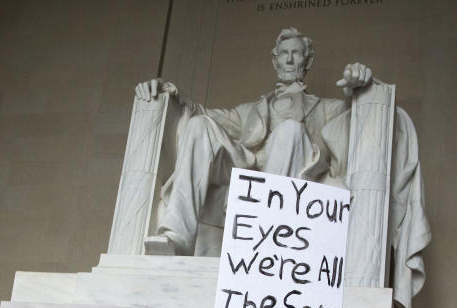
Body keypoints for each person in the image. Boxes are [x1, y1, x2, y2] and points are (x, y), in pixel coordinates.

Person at [136, 27, 374, 257]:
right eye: (284, 53)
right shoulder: (249, 112)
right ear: (275, 61)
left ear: (307, 61)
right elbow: (200, 111)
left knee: (289, 130)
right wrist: (170, 91)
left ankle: (259, 242)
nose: (290, 60)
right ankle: (176, 237)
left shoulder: (325, 108)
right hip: (248, 170)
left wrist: (359, 88)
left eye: (297, 53)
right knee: (199, 125)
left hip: (293, 176)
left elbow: (353, 120)